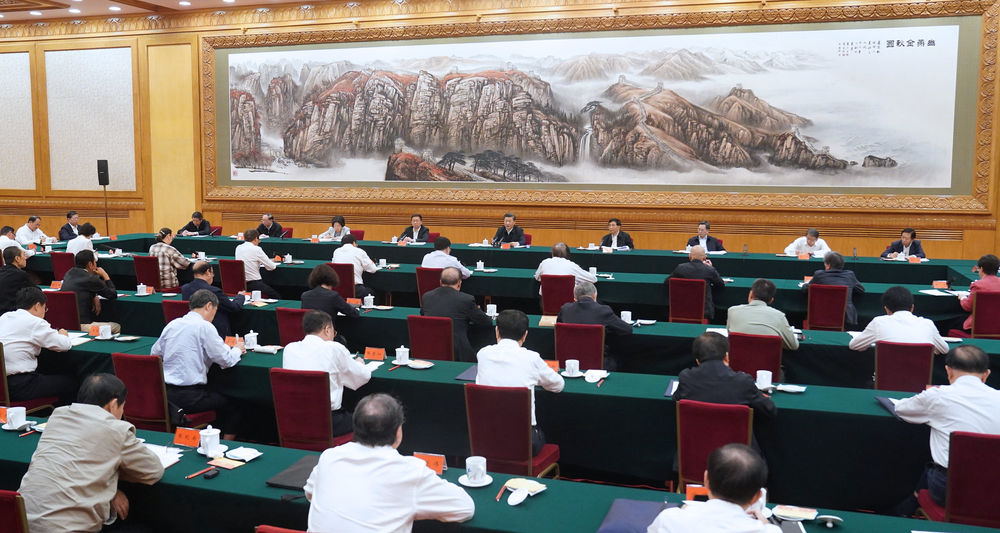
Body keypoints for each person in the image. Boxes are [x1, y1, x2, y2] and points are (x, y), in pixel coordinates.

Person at [304, 393, 474, 532]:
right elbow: (464, 508)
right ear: (398, 432)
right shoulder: (410, 471)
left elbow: (310, 493)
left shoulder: (330, 457)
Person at [18, 374, 164, 533]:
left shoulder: (57, 416)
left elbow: (72, 464)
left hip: (22, 524)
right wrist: (112, 478)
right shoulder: (116, 429)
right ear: (113, 405)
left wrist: (111, 487)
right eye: (122, 407)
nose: (122, 413)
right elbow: (153, 471)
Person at [894, 345, 1000, 513]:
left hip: (950, 490)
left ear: (948, 371)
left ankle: (906, 508)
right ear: (986, 374)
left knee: (933, 468)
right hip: (995, 489)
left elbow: (901, 409)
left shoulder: (937, 396)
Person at [151, 289, 245, 440]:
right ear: (208, 306)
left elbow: (155, 354)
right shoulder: (204, 326)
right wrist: (238, 350)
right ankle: (225, 446)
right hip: (190, 397)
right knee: (236, 403)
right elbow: (226, 360)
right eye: (215, 311)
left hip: (166, 395)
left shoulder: (173, 324)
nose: (214, 317)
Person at [476, 310, 564, 455]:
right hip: (523, 442)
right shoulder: (531, 358)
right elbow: (558, 385)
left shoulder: (483, 354)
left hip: (485, 438)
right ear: (525, 335)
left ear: (496, 331)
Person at [647, 444, 779, 533]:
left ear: (706, 479)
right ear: (757, 497)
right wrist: (766, 525)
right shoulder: (769, 531)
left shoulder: (668, 519)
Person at [282, 310, 374, 436]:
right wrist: (359, 364)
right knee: (371, 420)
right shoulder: (333, 348)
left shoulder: (289, 349)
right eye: (333, 333)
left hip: (294, 420)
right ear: (327, 330)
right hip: (328, 422)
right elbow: (361, 377)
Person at [674, 332, 776, 420]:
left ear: (697, 361)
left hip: (696, 436)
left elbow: (676, 400)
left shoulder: (686, 378)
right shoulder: (743, 382)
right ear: (727, 357)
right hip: (736, 437)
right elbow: (769, 410)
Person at [0, 287, 75, 405]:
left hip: (2, 384)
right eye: (45, 308)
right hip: (21, 385)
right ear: (37, 306)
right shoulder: (35, 322)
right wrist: (63, 335)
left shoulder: (4, 317)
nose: (44, 313)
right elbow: (63, 345)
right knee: (70, 381)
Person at [421, 267, 493, 363]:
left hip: (430, 347)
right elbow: (486, 322)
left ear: (440, 282)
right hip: (458, 353)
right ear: (459, 283)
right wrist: (476, 311)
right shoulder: (466, 300)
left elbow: (423, 314)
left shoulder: (427, 296)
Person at [848, 286, 948, 354]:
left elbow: (854, 345)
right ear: (912, 308)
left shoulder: (878, 323)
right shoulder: (928, 324)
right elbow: (944, 350)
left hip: (885, 378)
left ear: (886, 309)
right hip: (921, 379)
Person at [556, 281, 633, 369]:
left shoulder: (565, 309)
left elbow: (559, 325)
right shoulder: (603, 311)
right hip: (598, 363)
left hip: (569, 361)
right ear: (595, 296)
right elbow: (627, 329)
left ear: (575, 298)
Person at [726, 279, 799, 350]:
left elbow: (730, 336)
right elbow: (793, 345)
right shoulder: (779, 316)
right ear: (771, 300)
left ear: (751, 294)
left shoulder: (732, 311)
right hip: (769, 358)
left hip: (738, 358)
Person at [62, 249, 121, 334]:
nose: (96, 265)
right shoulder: (91, 279)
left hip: (65, 324)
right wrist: (105, 276)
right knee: (116, 327)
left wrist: (94, 295)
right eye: (95, 262)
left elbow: (81, 288)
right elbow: (112, 294)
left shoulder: (68, 273)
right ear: (90, 264)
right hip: (82, 325)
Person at [180, 261, 244, 337]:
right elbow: (234, 307)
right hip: (215, 331)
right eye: (213, 273)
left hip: (192, 331)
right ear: (208, 272)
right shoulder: (214, 291)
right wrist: (240, 296)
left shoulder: (185, 288)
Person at [802, 251, 865, 328]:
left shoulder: (819, 275)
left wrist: (805, 285)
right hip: (845, 319)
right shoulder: (849, 275)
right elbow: (861, 289)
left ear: (828, 265)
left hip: (820, 317)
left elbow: (805, 289)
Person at [668, 245, 726, 320]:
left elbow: (668, 282)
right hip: (704, 312)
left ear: (690, 256)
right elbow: (720, 284)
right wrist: (710, 267)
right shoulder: (710, 270)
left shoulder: (681, 268)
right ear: (705, 257)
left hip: (681, 310)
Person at [301, 264, 360, 333]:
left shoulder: (305, 295)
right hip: (327, 334)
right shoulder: (333, 296)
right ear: (332, 278)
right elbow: (353, 313)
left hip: (309, 334)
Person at [533, 242, 597, 295]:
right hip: (569, 303)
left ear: (552, 253)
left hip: (546, 302)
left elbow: (537, 277)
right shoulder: (572, 266)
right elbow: (593, 279)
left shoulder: (545, 262)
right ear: (568, 254)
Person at [958, 253, 1000, 331]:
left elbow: (967, 307)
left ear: (981, 269)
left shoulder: (978, 285)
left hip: (978, 327)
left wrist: (962, 297)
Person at [234, 228, 280, 299]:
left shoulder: (238, 248)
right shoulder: (257, 249)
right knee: (276, 296)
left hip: (241, 284)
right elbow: (271, 267)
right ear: (256, 239)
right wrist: (269, 261)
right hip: (254, 284)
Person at [331, 234, 378, 300]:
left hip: (338, 288)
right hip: (355, 290)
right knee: (374, 292)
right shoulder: (360, 251)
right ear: (354, 243)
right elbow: (373, 269)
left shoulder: (336, 252)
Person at [0, 246, 34, 315]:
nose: (25, 258)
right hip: (11, 313)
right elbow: (36, 291)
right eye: (24, 255)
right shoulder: (21, 275)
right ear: (17, 258)